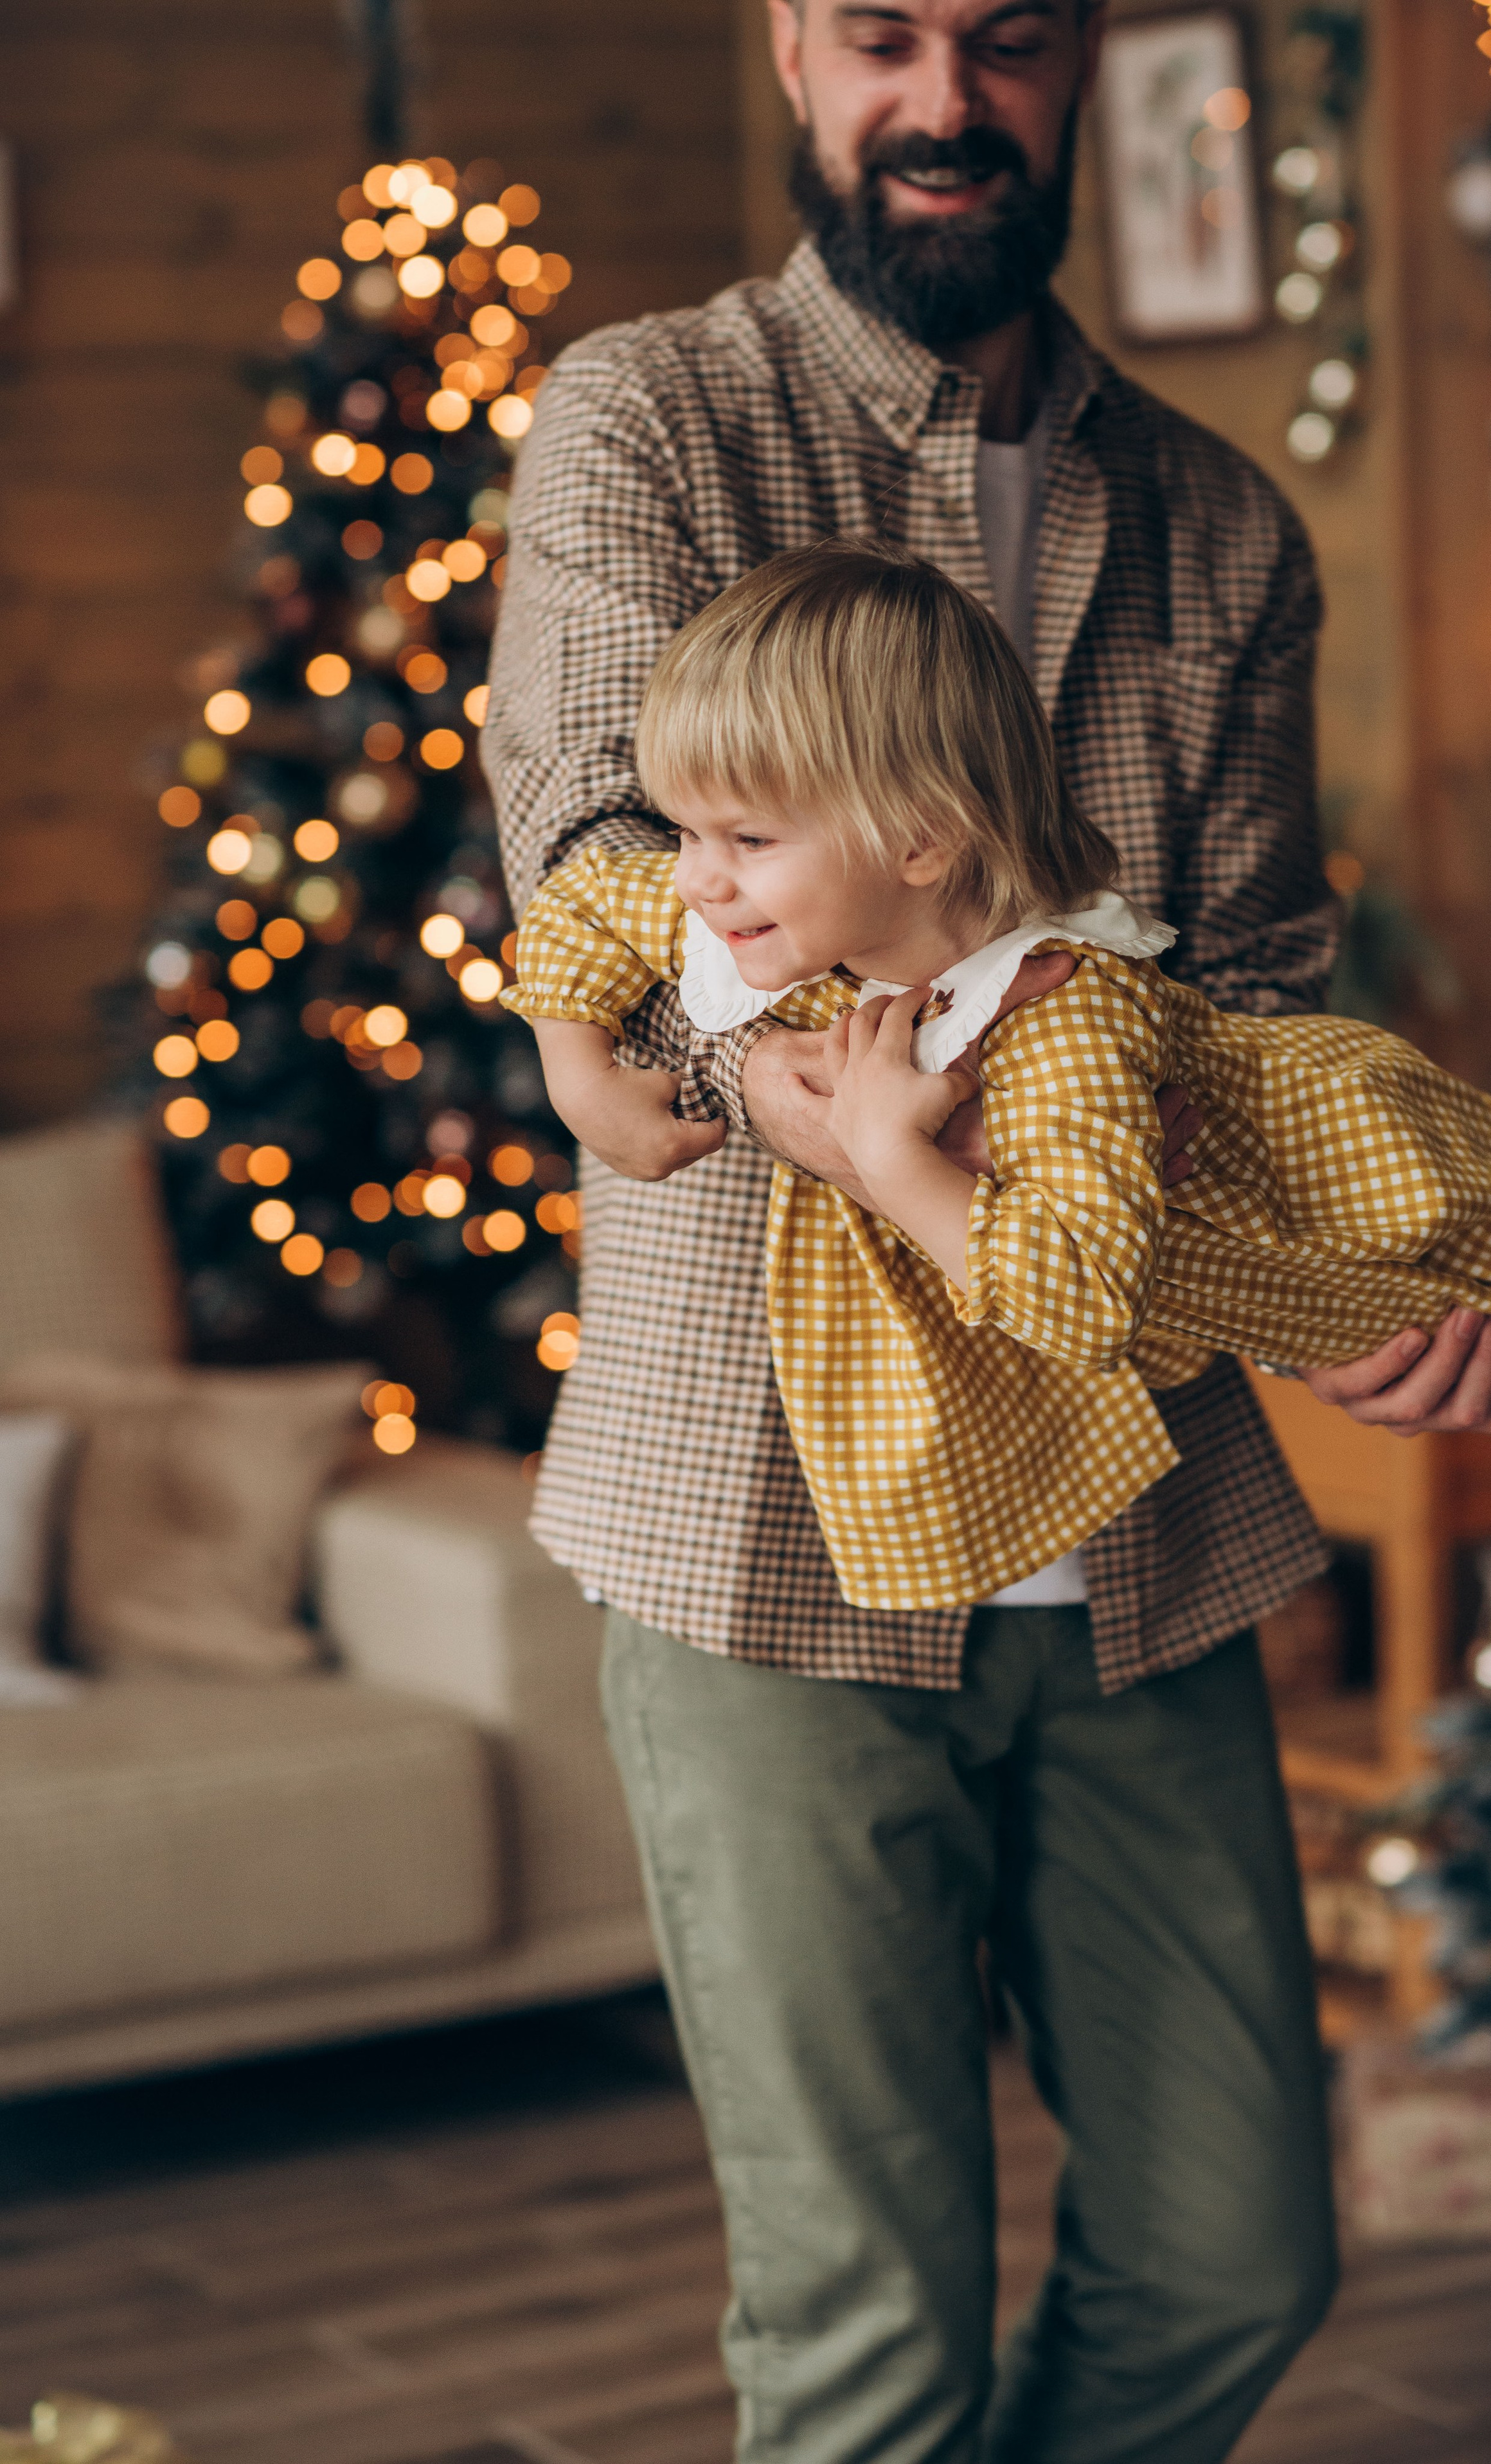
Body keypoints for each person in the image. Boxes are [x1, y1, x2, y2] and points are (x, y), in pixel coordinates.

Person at [481, 3, 1491, 2454]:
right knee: (867, 2333)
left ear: (1077, 71)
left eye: (1011, 40)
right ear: (790, 59)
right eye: (885, 37)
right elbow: (625, 876)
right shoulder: (651, 420)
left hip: (1134, 1529)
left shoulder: (1226, 524)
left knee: (1238, 2246)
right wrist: (861, 1100)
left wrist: (1364, 1291)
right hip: (757, 1522)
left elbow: (1239, 1007)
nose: (950, 97)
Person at [503, 538, 1491, 1615]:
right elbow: (585, 902)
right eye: (687, 829)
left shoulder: (1067, 1020)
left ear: (922, 838)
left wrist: (890, 1156)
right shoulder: (777, 921)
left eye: (745, 836)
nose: (696, 876)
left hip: (1414, 1223)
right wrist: (580, 1080)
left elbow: (1082, 1300)